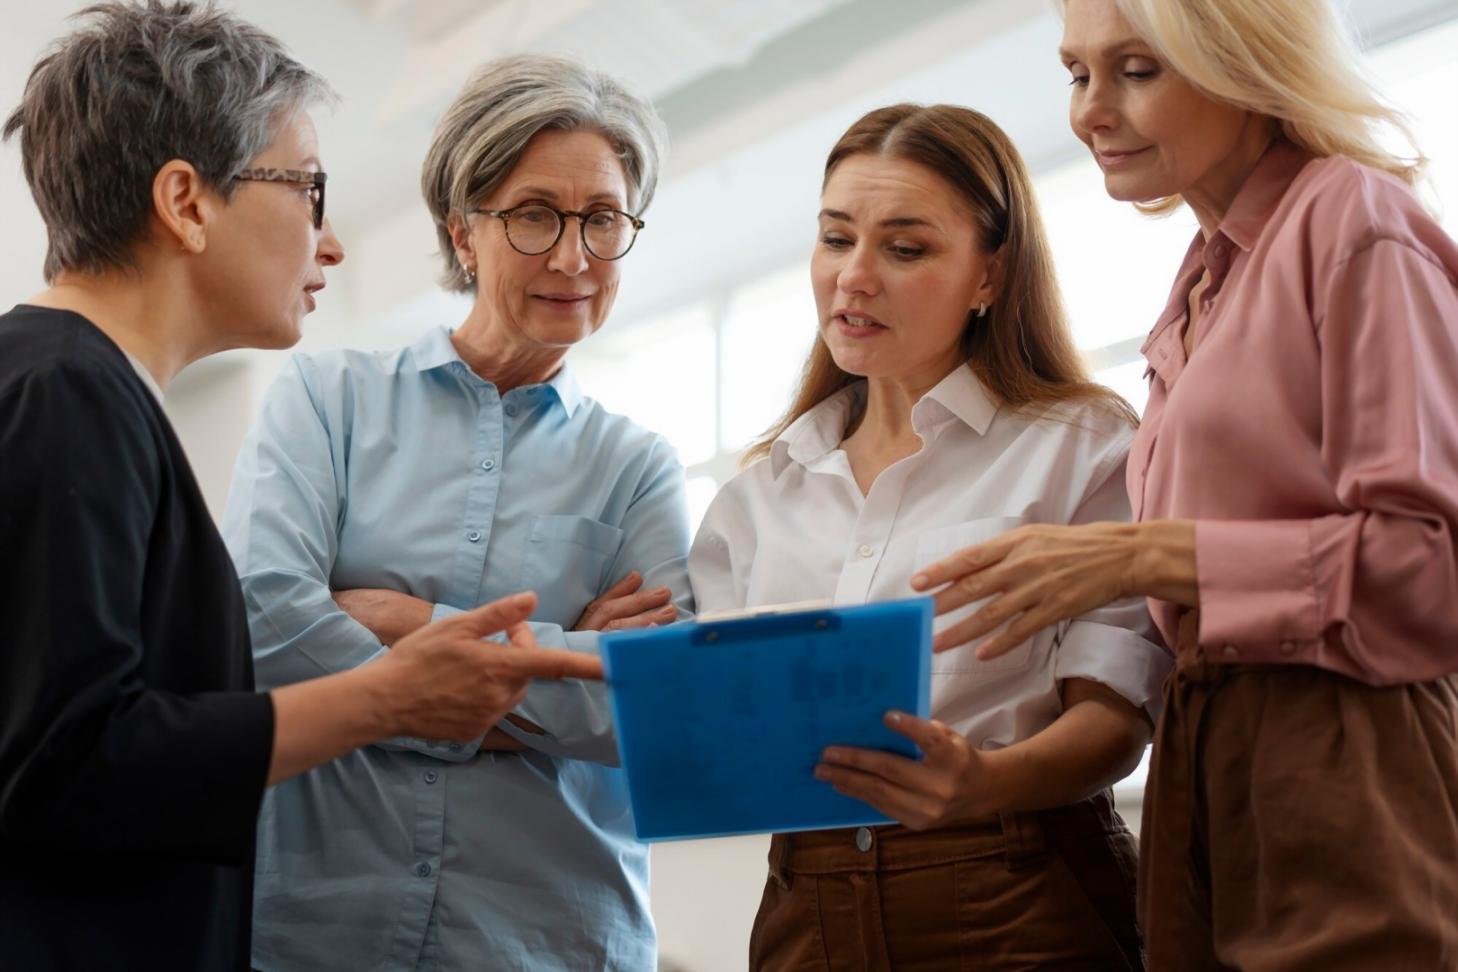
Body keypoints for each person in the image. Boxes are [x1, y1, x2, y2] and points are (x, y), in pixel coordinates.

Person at [0, 5, 602, 971]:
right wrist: (389, 698)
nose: (332, 244)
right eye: (309, 192)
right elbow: (67, 764)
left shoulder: (79, 390)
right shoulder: (65, 390)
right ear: (187, 202)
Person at [913, 0, 1458, 966]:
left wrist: (1139, 555)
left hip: (1344, 737)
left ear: (1246, 64)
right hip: (1201, 748)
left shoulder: (1352, 220)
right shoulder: (1201, 280)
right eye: (1077, 74)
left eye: (1137, 70)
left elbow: (1430, 568)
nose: (1089, 112)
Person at [222, 53, 688, 972]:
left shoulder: (637, 467)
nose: (573, 256)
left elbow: (657, 704)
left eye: (602, 220)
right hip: (315, 930)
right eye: (534, 216)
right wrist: (561, 650)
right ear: (462, 231)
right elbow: (264, 618)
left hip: (548, 940)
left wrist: (401, 623)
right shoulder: (327, 397)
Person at [689, 103, 1170, 971]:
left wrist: (987, 783)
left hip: (1018, 889)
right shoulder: (757, 496)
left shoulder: (1086, 445)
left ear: (991, 275)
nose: (854, 277)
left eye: (904, 249)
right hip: (805, 900)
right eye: (836, 239)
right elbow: (725, 733)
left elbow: (1115, 714)